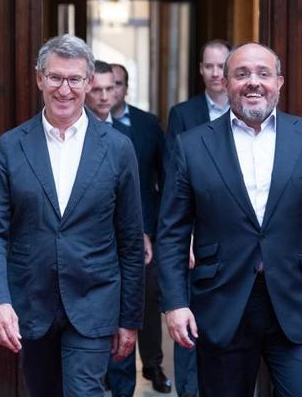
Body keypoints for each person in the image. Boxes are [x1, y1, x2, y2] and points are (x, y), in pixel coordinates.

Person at [156, 42, 302, 397]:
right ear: (225, 82)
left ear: (279, 82)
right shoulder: (191, 146)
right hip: (222, 307)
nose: (253, 82)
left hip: (297, 306)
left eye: (263, 74)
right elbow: (172, 233)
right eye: (241, 74)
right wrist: (175, 304)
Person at [0, 34, 146, 397]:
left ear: (88, 83)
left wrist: (130, 319)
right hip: (31, 306)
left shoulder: (117, 149)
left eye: (74, 79)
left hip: (94, 303)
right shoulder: (10, 147)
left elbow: (130, 240)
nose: (64, 89)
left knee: (85, 391)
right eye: (55, 78)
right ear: (39, 78)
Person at [165, 39, 231, 397]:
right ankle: (188, 390)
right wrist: (184, 236)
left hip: (235, 240)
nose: (216, 73)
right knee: (188, 318)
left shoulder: (250, 113)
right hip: (195, 235)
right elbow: (174, 179)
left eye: (222, 66)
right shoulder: (183, 114)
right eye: (209, 66)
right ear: (200, 70)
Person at [106, 63, 171, 395]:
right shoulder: (85, 124)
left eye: (116, 85)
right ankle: (108, 368)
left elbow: (165, 175)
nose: (110, 92)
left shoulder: (147, 124)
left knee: (145, 296)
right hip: (102, 232)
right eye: (104, 85)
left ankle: (153, 364)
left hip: (146, 227)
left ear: (125, 88)